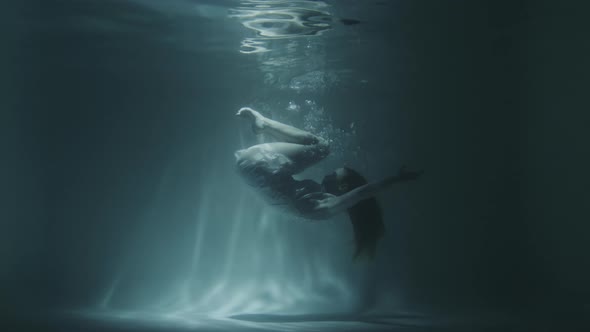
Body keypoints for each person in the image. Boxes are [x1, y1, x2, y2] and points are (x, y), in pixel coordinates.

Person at [235, 107, 422, 258]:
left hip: (256, 164)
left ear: (343, 187)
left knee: (323, 147)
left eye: (336, 174)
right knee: (309, 153)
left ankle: (264, 122)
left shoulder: (326, 207)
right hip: (248, 169)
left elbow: (362, 193)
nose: (331, 172)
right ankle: (262, 125)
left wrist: (396, 179)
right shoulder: (309, 204)